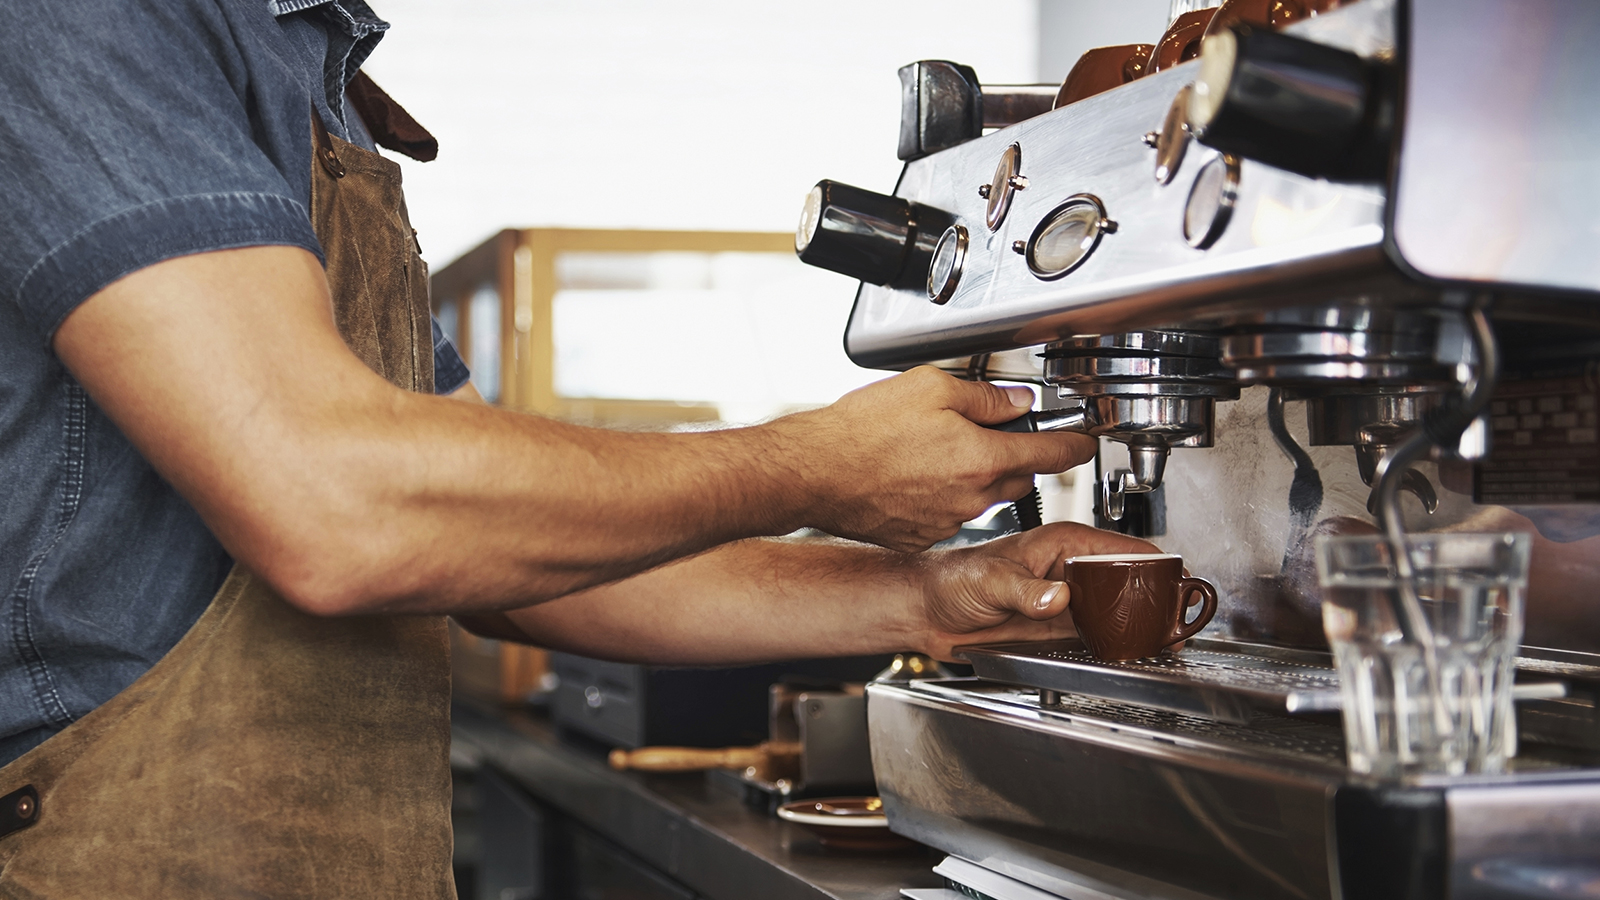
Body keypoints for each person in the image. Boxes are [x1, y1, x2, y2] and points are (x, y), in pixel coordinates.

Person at [0, 0, 1151, 895]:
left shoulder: (310, 69)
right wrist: (816, 465)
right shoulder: (97, 20)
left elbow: (507, 564)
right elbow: (339, 512)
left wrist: (934, 594)